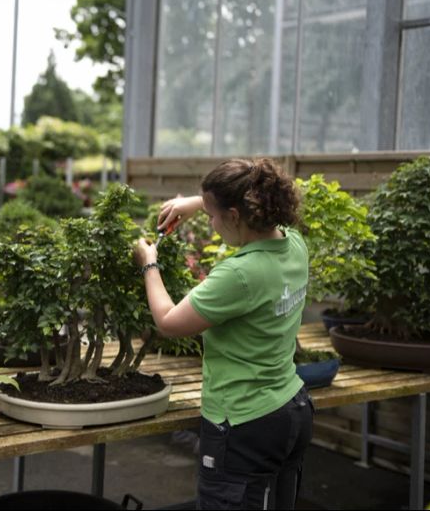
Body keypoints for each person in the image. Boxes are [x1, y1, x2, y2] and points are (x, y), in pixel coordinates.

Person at [133, 158, 314, 511]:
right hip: (291, 409)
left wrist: (149, 264)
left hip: (245, 423)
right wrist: (195, 203)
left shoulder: (241, 273)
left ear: (234, 215)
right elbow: (247, 185)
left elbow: (168, 322)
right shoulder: (294, 244)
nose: (211, 223)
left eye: (213, 216)